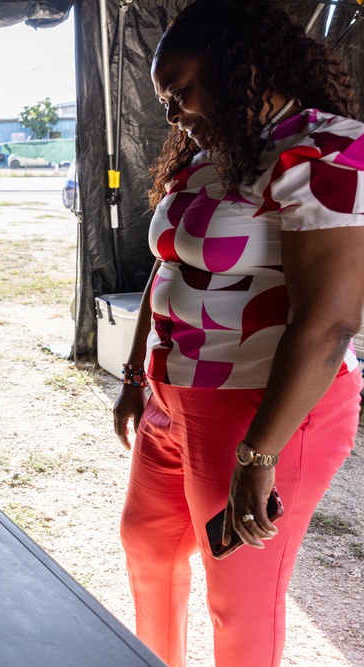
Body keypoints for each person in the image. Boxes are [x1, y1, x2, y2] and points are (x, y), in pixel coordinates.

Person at [111, 1, 364, 665]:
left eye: (180, 91)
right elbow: (167, 266)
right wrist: (139, 373)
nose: (173, 114)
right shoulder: (215, 151)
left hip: (259, 408)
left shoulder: (325, 149)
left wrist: (259, 453)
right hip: (176, 396)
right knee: (147, 543)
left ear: (240, 67)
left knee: (241, 603)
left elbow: (331, 320)